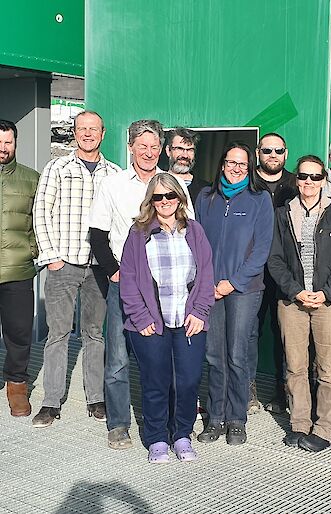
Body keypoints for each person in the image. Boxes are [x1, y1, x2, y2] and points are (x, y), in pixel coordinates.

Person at [90, 119, 193, 450]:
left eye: (154, 146)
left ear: (161, 149)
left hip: (169, 286)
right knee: (119, 355)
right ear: (130, 147)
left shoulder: (175, 183)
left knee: (169, 359)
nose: (148, 153)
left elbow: (190, 230)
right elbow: (98, 233)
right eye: (142, 146)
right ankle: (119, 423)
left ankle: (168, 425)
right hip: (128, 282)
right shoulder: (113, 184)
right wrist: (113, 271)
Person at [32, 111, 121, 427]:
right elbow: (41, 213)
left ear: (103, 132)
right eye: (82, 129)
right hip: (64, 262)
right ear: (74, 132)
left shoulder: (114, 173)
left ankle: (96, 399)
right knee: (58, 333)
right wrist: (51, 256)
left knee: (95, 334)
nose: (87, 134)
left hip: (99, 267)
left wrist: (114, 263)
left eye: (93, 129)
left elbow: (119, 221)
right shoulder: (58, 167)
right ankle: (51, 402)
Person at [120, 173, 214, 463]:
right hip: (152, 322)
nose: (164, 202)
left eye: (170, 196)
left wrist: (200, 312)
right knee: (156, 382)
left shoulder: (194, 231)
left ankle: (182, 434)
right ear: (151, 200)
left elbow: (206, 273)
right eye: (158, 197)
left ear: (179, 199)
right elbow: (129, 278)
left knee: (187, 381)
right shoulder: (138, 233)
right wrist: (140, 316)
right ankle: (157, 437)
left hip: (188, 321)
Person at [268, 155, 331, 452]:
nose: (309, 182)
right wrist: (294, 291)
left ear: (323, 180)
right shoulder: (283, 214)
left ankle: (325, 427)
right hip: (292, 302)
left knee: (327, 369)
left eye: (316, 177)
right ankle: (299, 423)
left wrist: (327, 292)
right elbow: (275, 259)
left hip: (327, 304)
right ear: (297, 180)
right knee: (295, 367)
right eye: (304, 177)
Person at [195, 142, 273, 445]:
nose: (237, 168)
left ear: (249, 167)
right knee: (214, 356)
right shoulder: (206, 198)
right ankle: (215, 418)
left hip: (244, 290)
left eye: (242, 163)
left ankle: (237, 419)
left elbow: (262, 250)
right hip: (209, 290)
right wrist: (208, 282)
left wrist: (233, 281)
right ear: (222, 164)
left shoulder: (259, 199)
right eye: (231, 162)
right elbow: (197, 242)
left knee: (237, 355)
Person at [249, 132, 297, 414]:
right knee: (249, 332)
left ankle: (283, 393)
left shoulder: (296, 183)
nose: (272, 155)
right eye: (267, 150)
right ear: (258, 153)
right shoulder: (247, 183)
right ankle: (248, 389)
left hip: (285, 271)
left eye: (278, 150)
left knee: (284, 334)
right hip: (252, 271)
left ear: (286, 153)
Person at [0, 120, 39, 417]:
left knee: (18, 331)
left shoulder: (32, 179)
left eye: (8, 142)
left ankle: (16, 385)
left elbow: (40, 222)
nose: (3, 148)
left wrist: (32, 251)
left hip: (18, 269)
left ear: (15, 143)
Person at [166, 127, 209, 204]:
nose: (185, 155)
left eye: (190, 150)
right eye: (179, 148)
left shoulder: (206, 190)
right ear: (168, 151)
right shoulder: (157, 186)